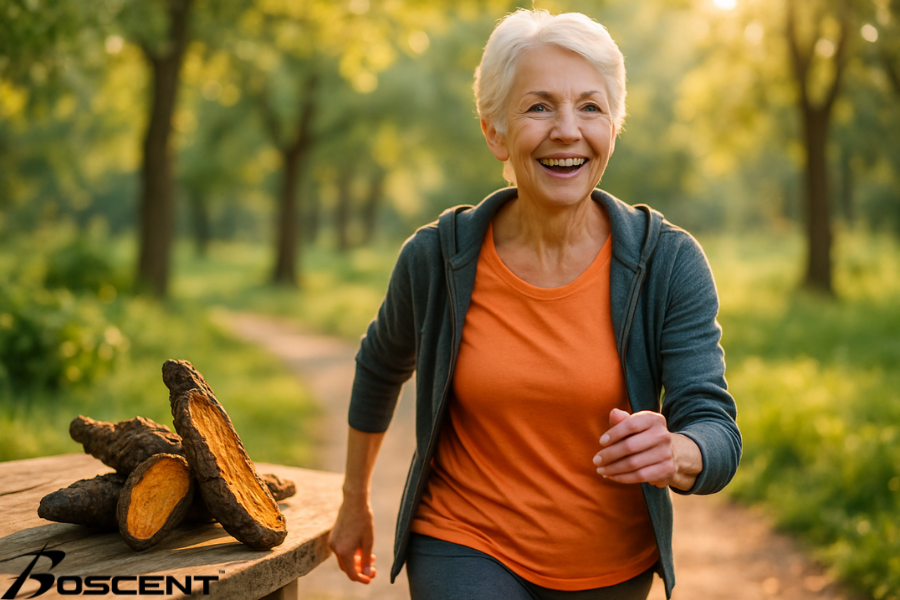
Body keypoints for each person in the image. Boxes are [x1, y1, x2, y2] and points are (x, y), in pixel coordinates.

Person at [328, 8, 741, 600]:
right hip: (462, 539)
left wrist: (680, 450)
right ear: (494, 130)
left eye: (591, 107)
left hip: (610, 563)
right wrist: (352, 502)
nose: (568, 130)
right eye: (539, 106)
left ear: (614, 126)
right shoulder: (437, 259)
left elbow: (716, 426)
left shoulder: (667, 263)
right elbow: (380, 364)